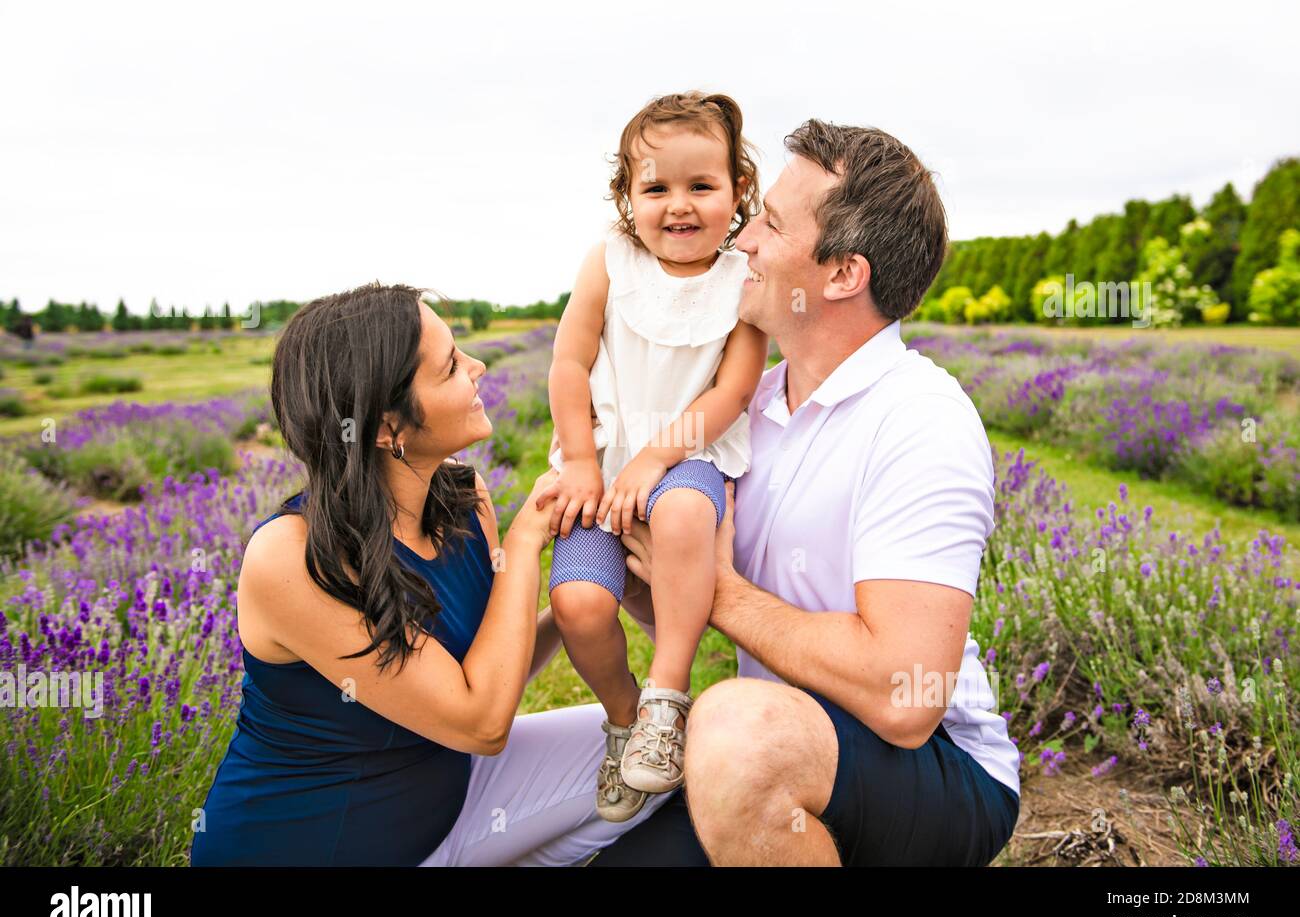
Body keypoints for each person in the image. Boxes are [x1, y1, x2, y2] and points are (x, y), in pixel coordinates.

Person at [592, 120, 1021, 866]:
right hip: (789, 747)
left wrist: (716, 593)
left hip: (939, 768)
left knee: (731, 728)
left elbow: (904, 696)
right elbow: (671, 602)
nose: (743, 239)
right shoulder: (740, 413)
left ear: (842, 274)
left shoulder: (920, 421)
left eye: (772, 223)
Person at [189, 282, 681, 866]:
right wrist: (526, 544)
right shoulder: (291, 559)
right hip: (314, 846)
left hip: (450, 801)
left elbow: (485, 671)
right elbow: (480, 723)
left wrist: (592, 598)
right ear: (385, 427)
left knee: (678, 753)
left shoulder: (462, 497)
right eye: (449, 367)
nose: (477, 368)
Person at [538, 91, 769, 821]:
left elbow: (732, 393)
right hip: (600, 460)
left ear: (738, 193)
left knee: (675, 518)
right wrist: (582, 462)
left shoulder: (745, 283)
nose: (679, 205)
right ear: (626, 197)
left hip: (690, 453)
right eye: (656, 187)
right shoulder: (608, 262)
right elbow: (568, 365)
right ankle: (624, 718)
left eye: (702, 186)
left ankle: (668, 699)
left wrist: (656, 458)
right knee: (576, 603)